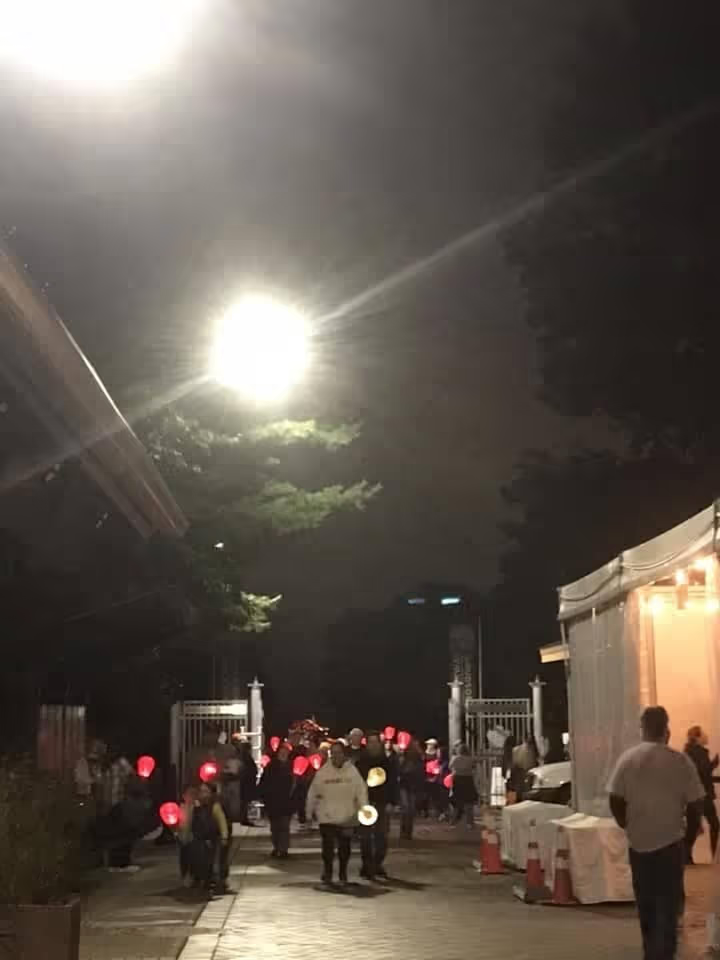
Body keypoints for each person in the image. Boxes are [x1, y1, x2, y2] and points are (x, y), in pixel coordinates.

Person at [608, 706, 704, 960]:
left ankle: (651, 951)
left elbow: (615, 799)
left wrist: (628, 824)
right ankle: (665, 952)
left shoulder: (628, 760)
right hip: (671, 844)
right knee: (669, 904)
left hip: (639, 845)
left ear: (643, 729)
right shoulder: (680, 761)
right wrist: (689, 839)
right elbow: (696, 804)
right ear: (667, 730)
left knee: (647, 903)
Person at [306, 741, 367, 885]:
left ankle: (342, 873)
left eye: (339, 752)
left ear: (344, 754)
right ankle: (328, 872)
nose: (336, 756)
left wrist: (364, 809)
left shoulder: (352, 772)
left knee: (344, 847)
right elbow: (312, 793)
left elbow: (361, 791)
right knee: (327, 848)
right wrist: (308, 813)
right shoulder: (323, 773)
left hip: (347, 816)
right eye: (333, 753)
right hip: (326, 816)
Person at [356, 731, 398, 879]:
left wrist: (392, 802)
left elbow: (392, 783)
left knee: (381, 836)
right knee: (365, 837)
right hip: (365, 803)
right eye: (370, 742)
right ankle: (367, 865)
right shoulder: (361, 762)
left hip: (381, 802)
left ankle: (377, 863)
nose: (373, 745)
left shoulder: (387, 762)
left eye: (376, 742)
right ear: (366, 744)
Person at [185, 782, 230, 895]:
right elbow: (189, 822)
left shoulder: (215, 806)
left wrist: (224, 837)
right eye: (201, 791)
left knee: (214, 861)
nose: (202, 794)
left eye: (205, 791)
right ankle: (200, 879)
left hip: (213, 839)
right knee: (198, 860)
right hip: (198, 839)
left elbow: (222, 822)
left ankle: (215, 881)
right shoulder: (195, 806)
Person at [684, 724, 719, 863]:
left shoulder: (691, 751)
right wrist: (714, 763)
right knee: (713, 825)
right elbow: (702, 772)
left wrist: (713, 764)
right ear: (697, 737)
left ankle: (686, 857)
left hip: (697, 795)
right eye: (703, 733)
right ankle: (715, 856)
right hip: (702, 795)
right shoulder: (697, 752)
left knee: (693, 828)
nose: (706, 735)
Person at [260, 744, 295, 858]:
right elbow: (264, 783)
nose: (283, 754)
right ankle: (277, 847)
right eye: (282, 752)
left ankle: (283, 849)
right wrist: (264, 798)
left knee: (284, 826)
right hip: (273, 802)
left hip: (286, 802)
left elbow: (297, 785)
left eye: (286, 753)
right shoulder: (270, 767)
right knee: (275, 827)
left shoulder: (292, 767)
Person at [397, 738, 425, 840]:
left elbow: (421, 773)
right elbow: (399, 770)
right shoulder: (404, 758)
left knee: (409, 809)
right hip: (405, 785)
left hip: (412, 786)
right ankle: (405, 831)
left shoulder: (418, 760)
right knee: (406, 809)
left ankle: (407, 832)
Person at [449, 743, 477, 828]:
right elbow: (473, 767)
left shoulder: (455, 758)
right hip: (468, 780)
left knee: (457, 802)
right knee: (469, 803)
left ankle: (453, 822)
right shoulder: (470, 759)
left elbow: (450, 767)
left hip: (457, 780)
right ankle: (470, 823)